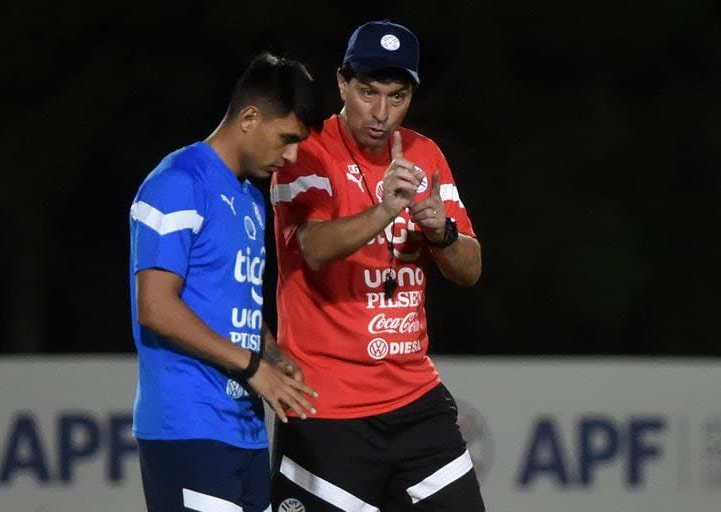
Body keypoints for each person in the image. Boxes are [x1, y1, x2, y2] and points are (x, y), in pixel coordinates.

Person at [269, 20, 485, 512]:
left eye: (397, 96)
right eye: (367, 92)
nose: (380, 113)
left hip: (414, 398)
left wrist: (441, 232)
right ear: (341, 83)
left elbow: (469, 269)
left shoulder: (425, 153)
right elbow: (313, 247)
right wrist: (387, 209)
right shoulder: (306, 151)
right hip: (326, 407)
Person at [128, 52, 322, 512]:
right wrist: (253, 367)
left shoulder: (251, 199)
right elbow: (155, 306)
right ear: (250, 118)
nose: (292, 156)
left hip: (245, 430)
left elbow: (237, 303)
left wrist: (274, 357)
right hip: (187, 426)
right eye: (287, 139)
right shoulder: (177, 181)